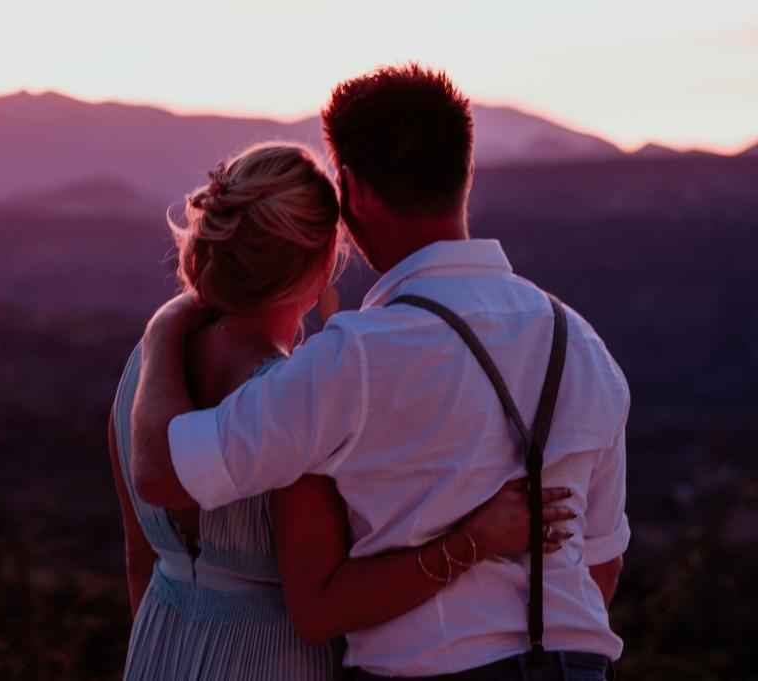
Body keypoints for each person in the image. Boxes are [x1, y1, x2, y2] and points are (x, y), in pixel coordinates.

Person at [131, 64, 630, 681]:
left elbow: (165, 472)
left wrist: (163, 329)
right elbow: (601, 565)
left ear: (353, 191)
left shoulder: (353, 360)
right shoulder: (581, 344)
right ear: (465, 173)